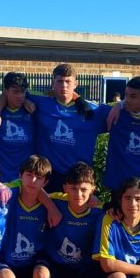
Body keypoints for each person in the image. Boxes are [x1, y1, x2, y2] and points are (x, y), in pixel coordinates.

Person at [16, 63, 113, 192]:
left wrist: (119, 105)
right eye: (60, 81)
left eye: (68, 81)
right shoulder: (42, 103)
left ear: (76, 84)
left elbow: (126, 108)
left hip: (78, 176)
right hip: (47, 174)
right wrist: (25, 100)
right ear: (53, 83)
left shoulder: (92, 110)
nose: (64, 86)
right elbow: (11, 93)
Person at [0, 155, 59, 278]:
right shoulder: (8, 195)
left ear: (45, 182)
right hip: (9, 263)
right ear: (20, 176)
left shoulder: (52, 203)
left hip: (33, 264)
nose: (33, 181)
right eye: (29, 175)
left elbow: (79, 198)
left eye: (39, 178)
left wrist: (93, 199)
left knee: (41, 275)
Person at [104, 77, 140, 206]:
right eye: (126, 95)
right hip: (119, 186)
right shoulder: (115, 113)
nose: (127, 100)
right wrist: (118, 104)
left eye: (133, 96)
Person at [0, 72, 36, 184]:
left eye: (22, 92)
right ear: (5, 91)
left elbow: (55, 95)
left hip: (25, 179)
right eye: (15, 92)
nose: (20, 96)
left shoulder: (32, 108)